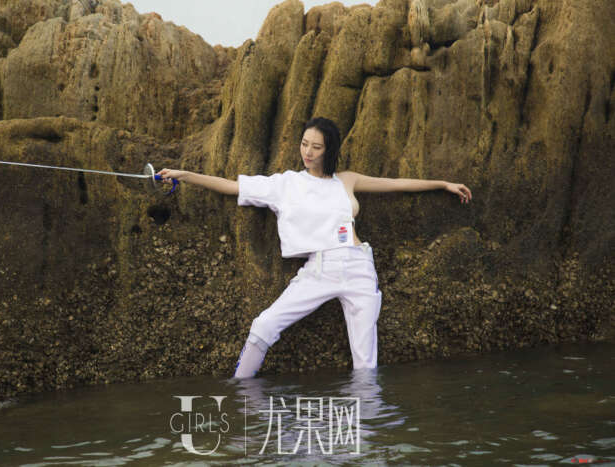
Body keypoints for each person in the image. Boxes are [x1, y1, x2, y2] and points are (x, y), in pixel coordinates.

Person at [158, 117, 472, 379]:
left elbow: (395, 184)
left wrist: (442, 184)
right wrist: (184, 175)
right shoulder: (285, 184)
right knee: (263, 325)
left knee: (365, 363)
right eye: (304, 144)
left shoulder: (345, 180)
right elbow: (232, 187)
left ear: (328, 149)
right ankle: (241, 396)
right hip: (320, 269)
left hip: (360, 269)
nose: (308, 152)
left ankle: (365, 428)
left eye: (316, 147)